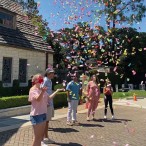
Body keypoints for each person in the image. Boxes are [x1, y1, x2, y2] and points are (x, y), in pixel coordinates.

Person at [28, 74, 63, 146]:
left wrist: (57, 91)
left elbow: (49, 98)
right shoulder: (33, 90)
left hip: (43, 114)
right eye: (40, 79)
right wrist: (43, 92)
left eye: (42, 79)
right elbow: (38, 99)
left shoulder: (40, 89)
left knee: (40, 138)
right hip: (37, 115)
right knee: (37, 138)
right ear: (35, 80)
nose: (42, 80)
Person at [41, 68, 55, 144]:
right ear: (48, 73)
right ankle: (45, 138)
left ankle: (45, 137)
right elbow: (42, 90)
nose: (53, 74)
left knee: (47, 121)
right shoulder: (46, 80)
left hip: (50, 102)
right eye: (52, 73)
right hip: (47, 103)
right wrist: (45, 102)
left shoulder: (49, 81)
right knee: (46, 121)